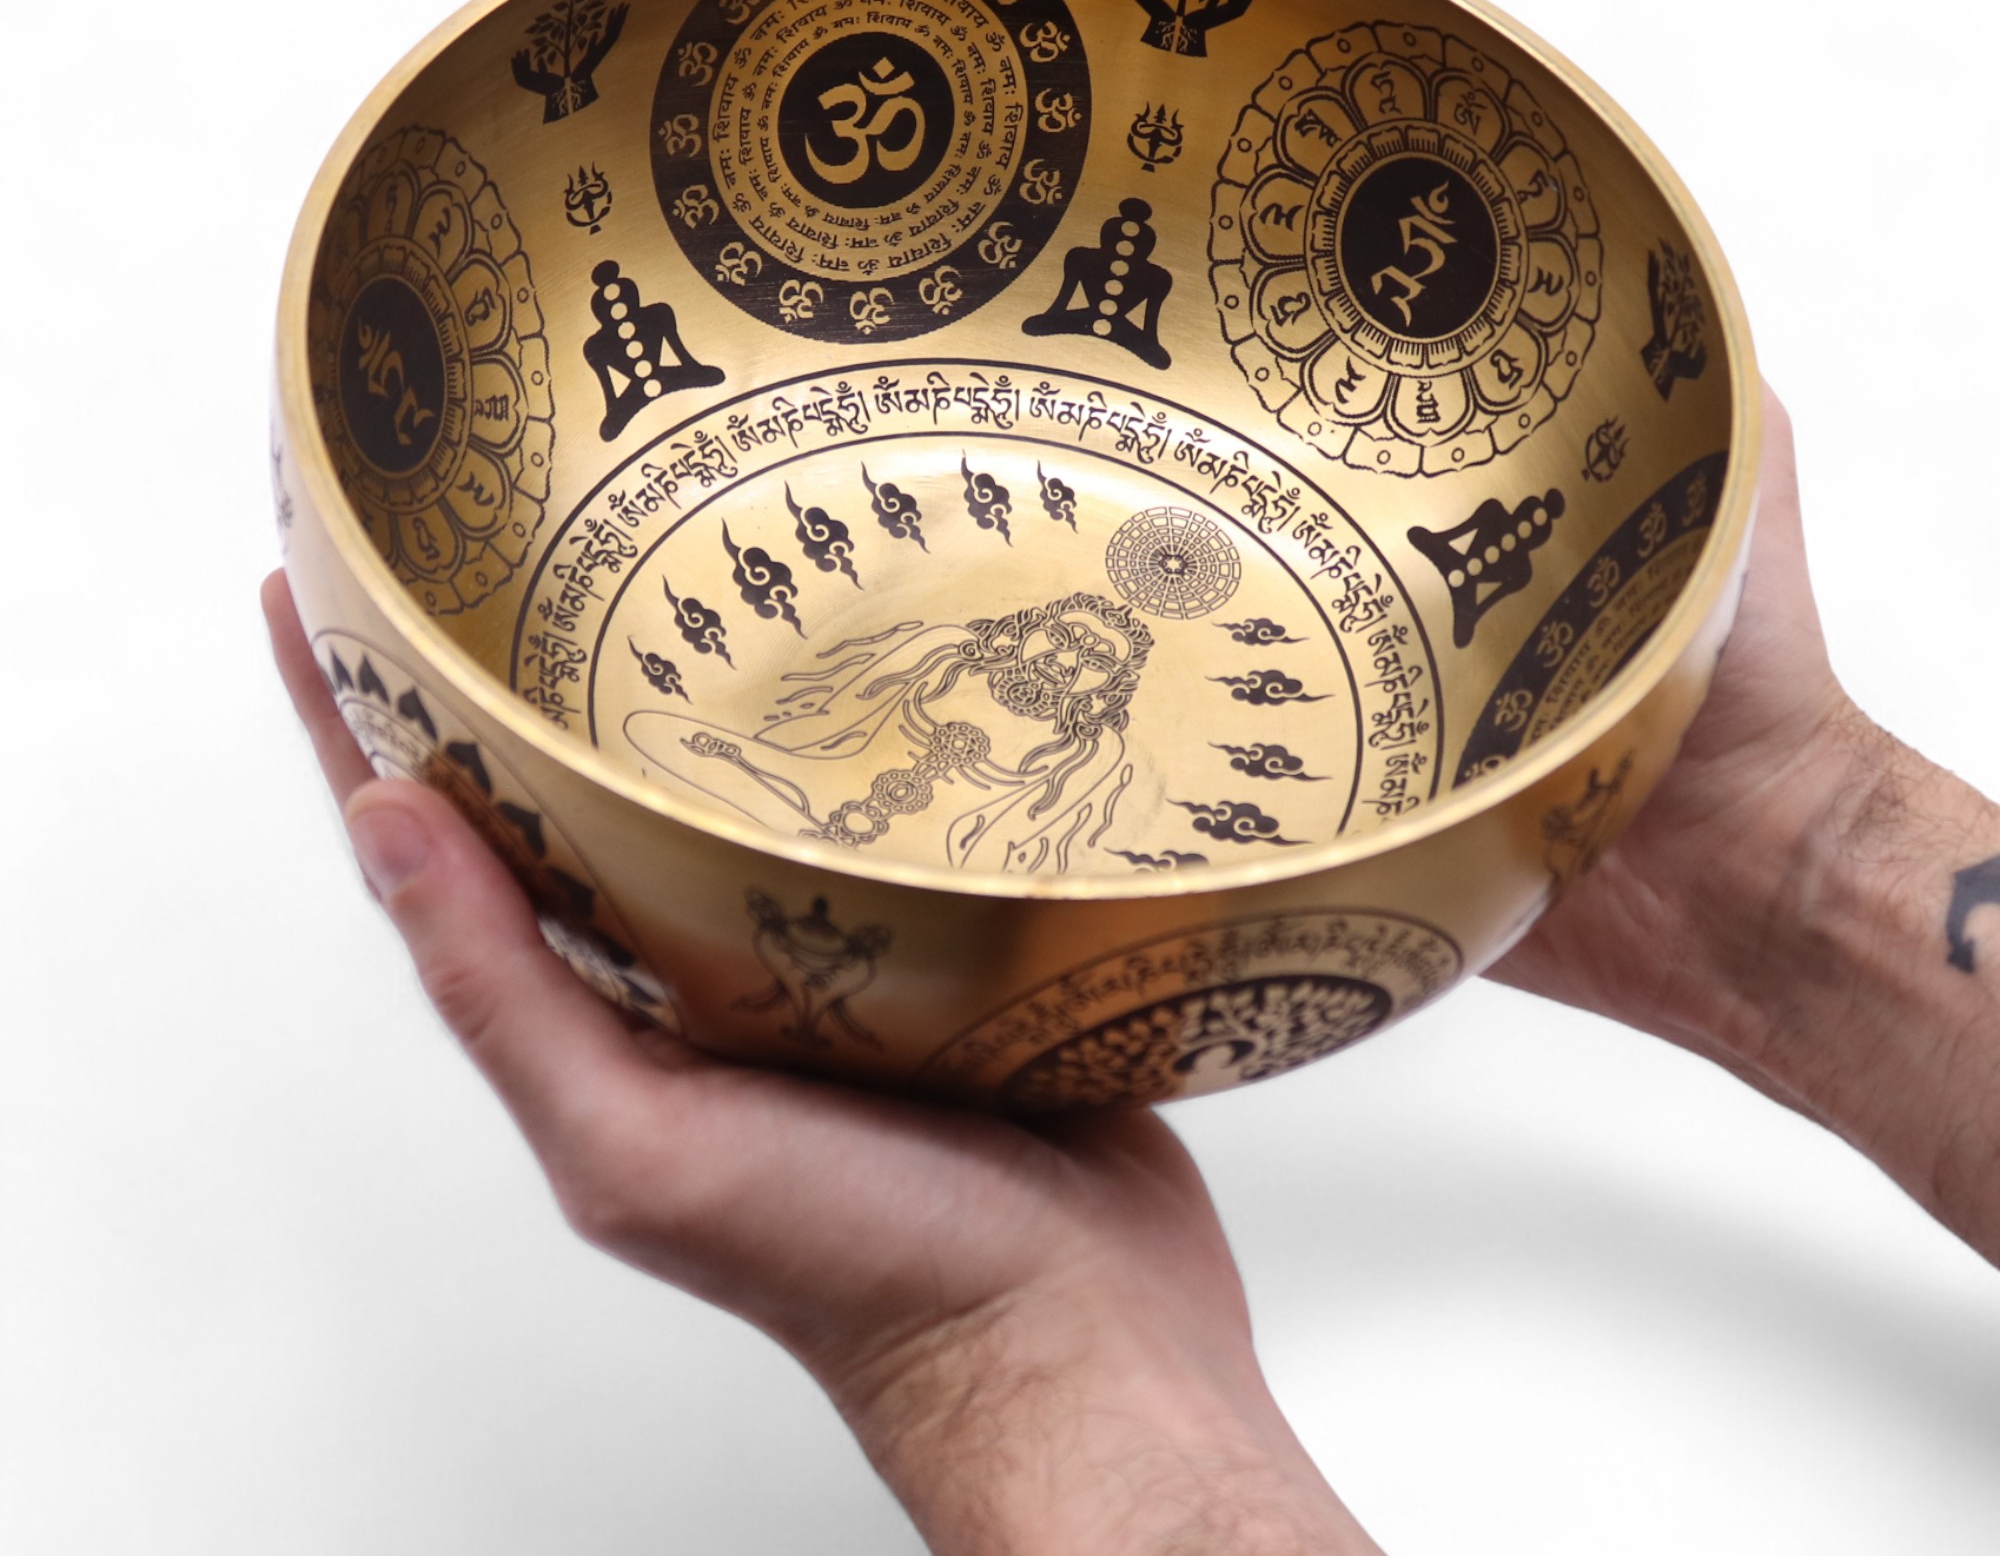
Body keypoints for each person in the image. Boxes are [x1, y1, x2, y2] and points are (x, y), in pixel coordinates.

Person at [264, 391, 2000, 1554]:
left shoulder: (1060, 767)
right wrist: (1787, 865)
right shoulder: (814, 719)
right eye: (1021, 653)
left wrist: (1007, 1355)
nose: (1036, 678)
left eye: (1071, 688)